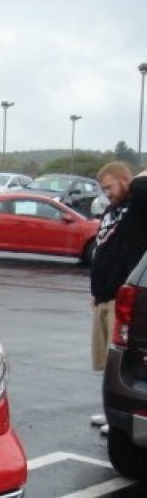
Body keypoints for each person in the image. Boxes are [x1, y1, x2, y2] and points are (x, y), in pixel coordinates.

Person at [89, 162, 147, 434]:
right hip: (103, 295)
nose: (107, 195)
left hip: (120, 295)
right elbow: (104, 249)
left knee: (120, 359)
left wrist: (136, 179)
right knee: (105, 361)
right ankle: (109, 409)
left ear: (125, 181)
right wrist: (96, 292)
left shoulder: (138, 207)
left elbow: (144, 188)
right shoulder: (113, 210)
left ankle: (120, 413)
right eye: (103, 190)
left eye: (110, 187)